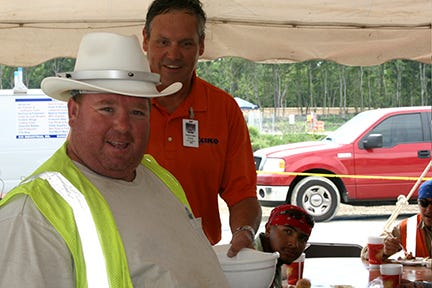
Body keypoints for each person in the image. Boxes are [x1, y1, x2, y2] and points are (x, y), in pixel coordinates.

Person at [0, 32, 230, 288]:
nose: (123, 126)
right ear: (73, 112)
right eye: (107, 109)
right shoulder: (33, 214)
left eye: (137, 112)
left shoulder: (160, 178)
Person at [142, 0, 262, 256]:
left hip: (198, 260)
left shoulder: (223, 108)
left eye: (186, 43)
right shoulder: (121, 102)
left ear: (202, 45)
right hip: (128, 259)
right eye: (163, 42)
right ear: (145, 40)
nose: (173, 55)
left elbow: (242, 194)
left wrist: (245, 232)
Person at [361, 180, 432, 261]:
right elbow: (365, 254)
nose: (429, 209)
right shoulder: (407, 227)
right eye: (424, 203)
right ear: (418, 204)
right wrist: (384, 250)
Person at [254, 204, 314, 288]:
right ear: (268, 229)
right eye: (288, 232)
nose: (294, 244)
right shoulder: (250, 264)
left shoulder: (274, 260)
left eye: (302, 238)